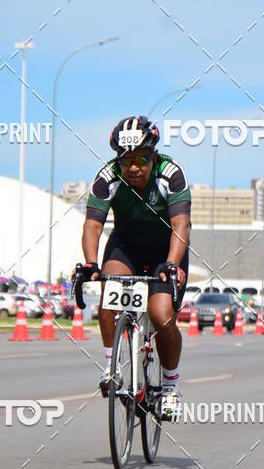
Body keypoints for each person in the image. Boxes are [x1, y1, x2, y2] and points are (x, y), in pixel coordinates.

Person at [79, 115, 191, 421]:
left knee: (161, 315)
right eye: (126, 159)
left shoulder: (171, 174)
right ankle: (111, 366)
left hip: (166, 250)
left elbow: (181, 225)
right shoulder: (108, 177)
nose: (133, 167)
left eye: (141, 158)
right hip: (125, 245)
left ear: (153, 155)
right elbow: (92, 225)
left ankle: (170, 386)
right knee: (109, 291)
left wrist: (172, 264)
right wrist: (90, 264)